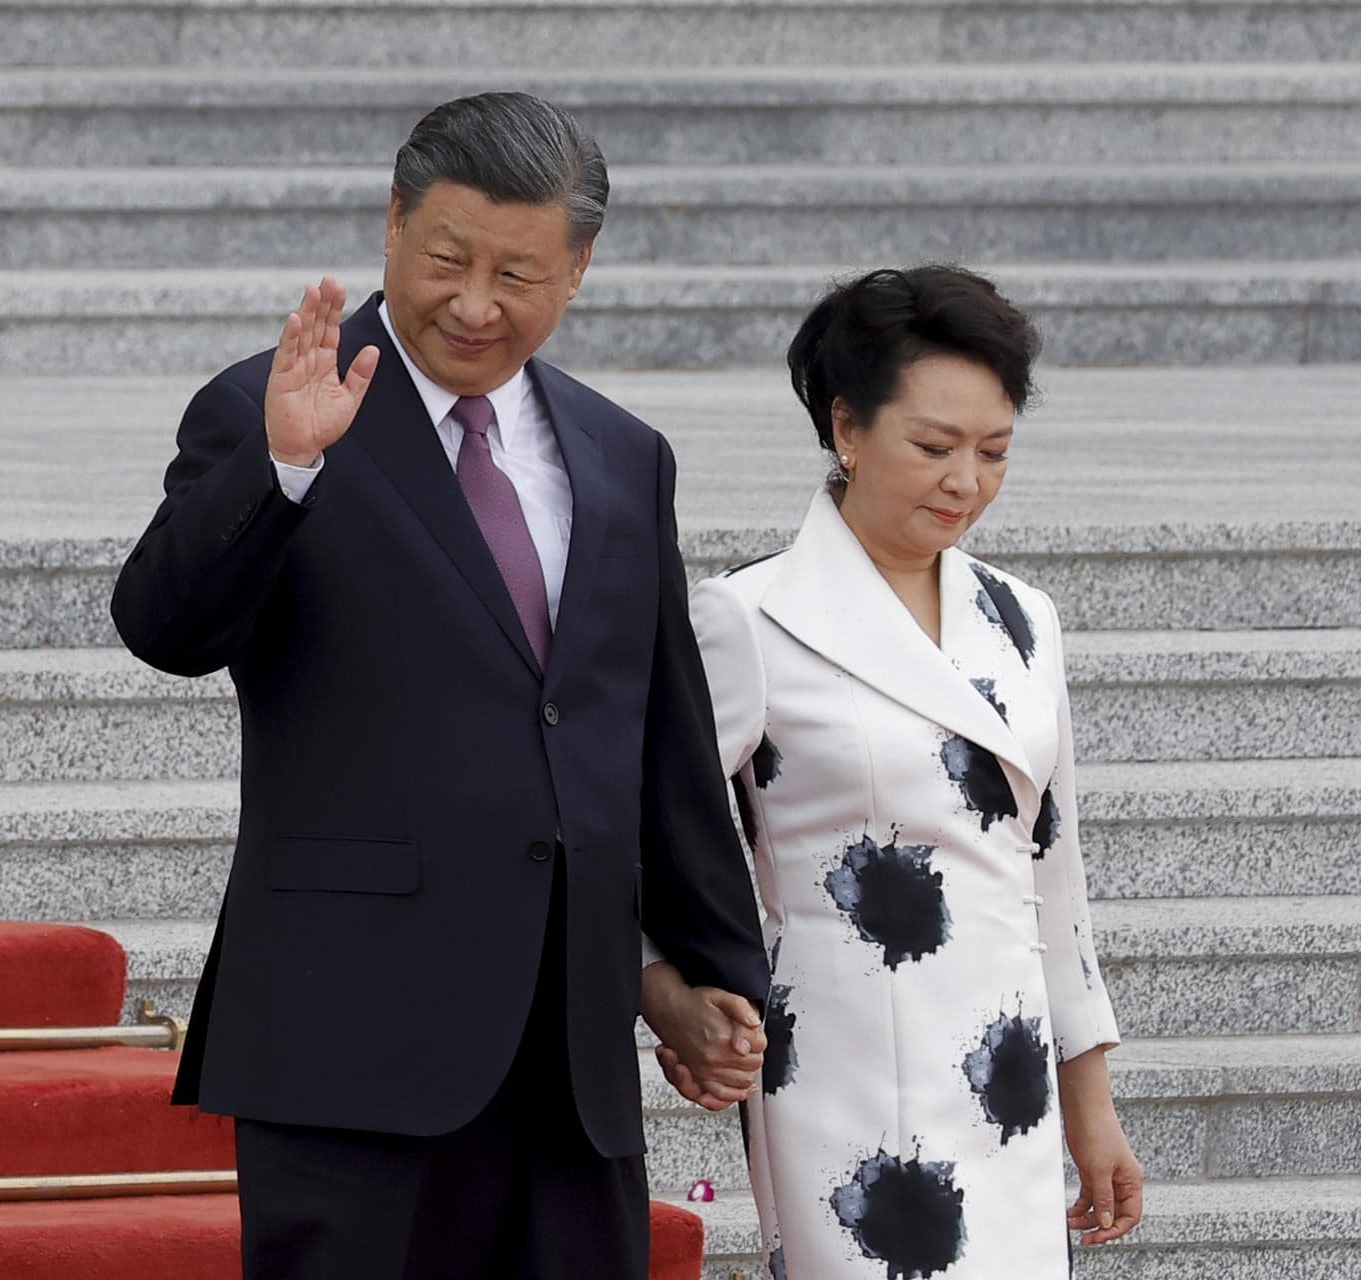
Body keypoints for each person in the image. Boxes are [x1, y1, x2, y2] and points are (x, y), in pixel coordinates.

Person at [109, 91, 769, 1280]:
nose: (474, 304)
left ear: (578, 270)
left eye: (519, 272)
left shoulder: (623, 453)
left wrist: (710, 965)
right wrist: (284, 466)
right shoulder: (269, 413)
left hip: (566, 1052)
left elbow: (657, 729)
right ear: (393, 225)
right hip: (350, 1026)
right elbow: (164, 627)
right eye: (447, 259)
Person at [657, 267, 1143, 1278]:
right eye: (933, 447)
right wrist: (669, 992)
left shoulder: (1023, 620)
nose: (964, 480)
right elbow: (645, 829)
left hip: (1007, 1076)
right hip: (844, 1072)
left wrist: (1090, 1108)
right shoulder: (752, 617)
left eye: (994, 451)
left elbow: (1053, 874)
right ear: (847, 426)